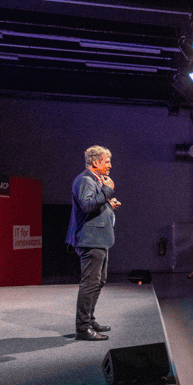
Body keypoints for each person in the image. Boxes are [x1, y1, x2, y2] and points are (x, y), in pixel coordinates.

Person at [66, 145, 119, 341]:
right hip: (91, 240)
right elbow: (87, 205)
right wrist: (107, 190)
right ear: (95, 162)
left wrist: (108, 205)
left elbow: (93, 204)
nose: (110, 165)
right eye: (106, 162)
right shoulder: (85, 180)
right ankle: (82, 328)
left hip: (99, 240)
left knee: (99, 281)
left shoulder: (93, 180)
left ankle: (89, 319)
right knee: (89, 284)